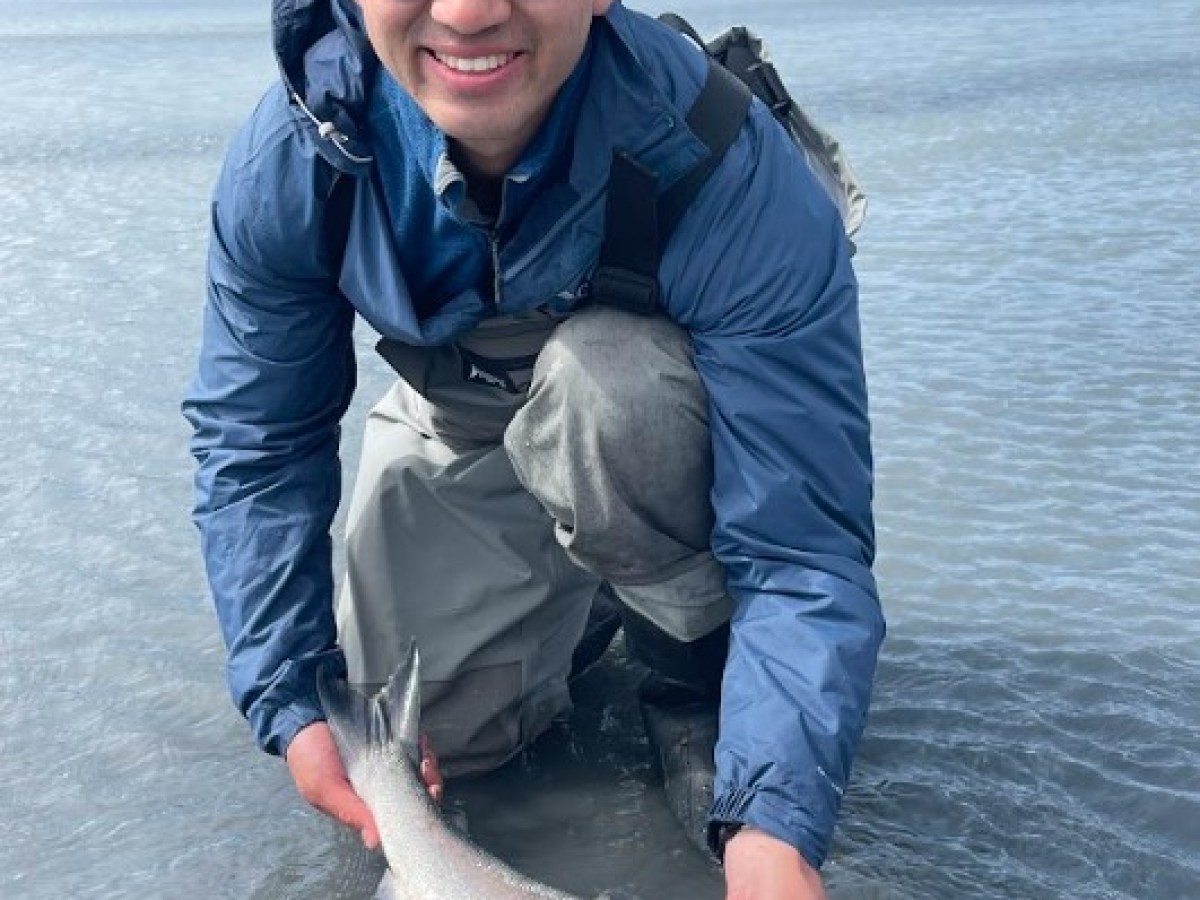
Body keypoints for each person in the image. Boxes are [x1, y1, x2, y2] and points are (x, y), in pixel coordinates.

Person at [182, 0, 884, 896]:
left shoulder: (726, 158)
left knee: (608, 385)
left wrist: (773, 835)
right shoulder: (295, 156)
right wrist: (288, 695)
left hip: (655, 421)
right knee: (423, 742)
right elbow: (258, 442)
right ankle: (584, 598)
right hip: (468, 418)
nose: (469, 11)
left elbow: (801, 543)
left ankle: (689, 669)